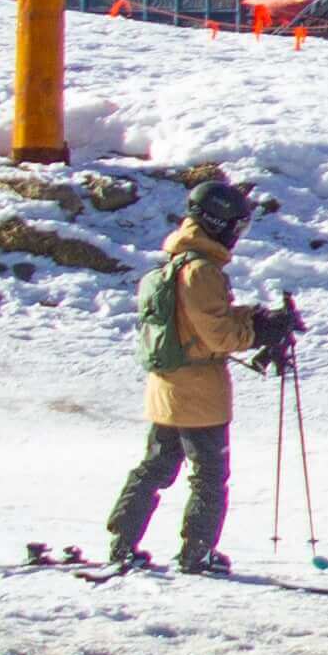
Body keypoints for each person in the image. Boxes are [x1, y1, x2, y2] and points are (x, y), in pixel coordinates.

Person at [108, 175, 287, 575]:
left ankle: (122, 541)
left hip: (169, 388)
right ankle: (197, 551)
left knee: (154, 467)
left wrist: (253, 316)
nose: (238, 235)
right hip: (201, 394)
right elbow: (218, 334)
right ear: (220, 223)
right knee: (208, 476)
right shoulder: (203, 271)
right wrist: (260, 331)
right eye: (238, 226)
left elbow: (198, 323)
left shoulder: (177, 262)